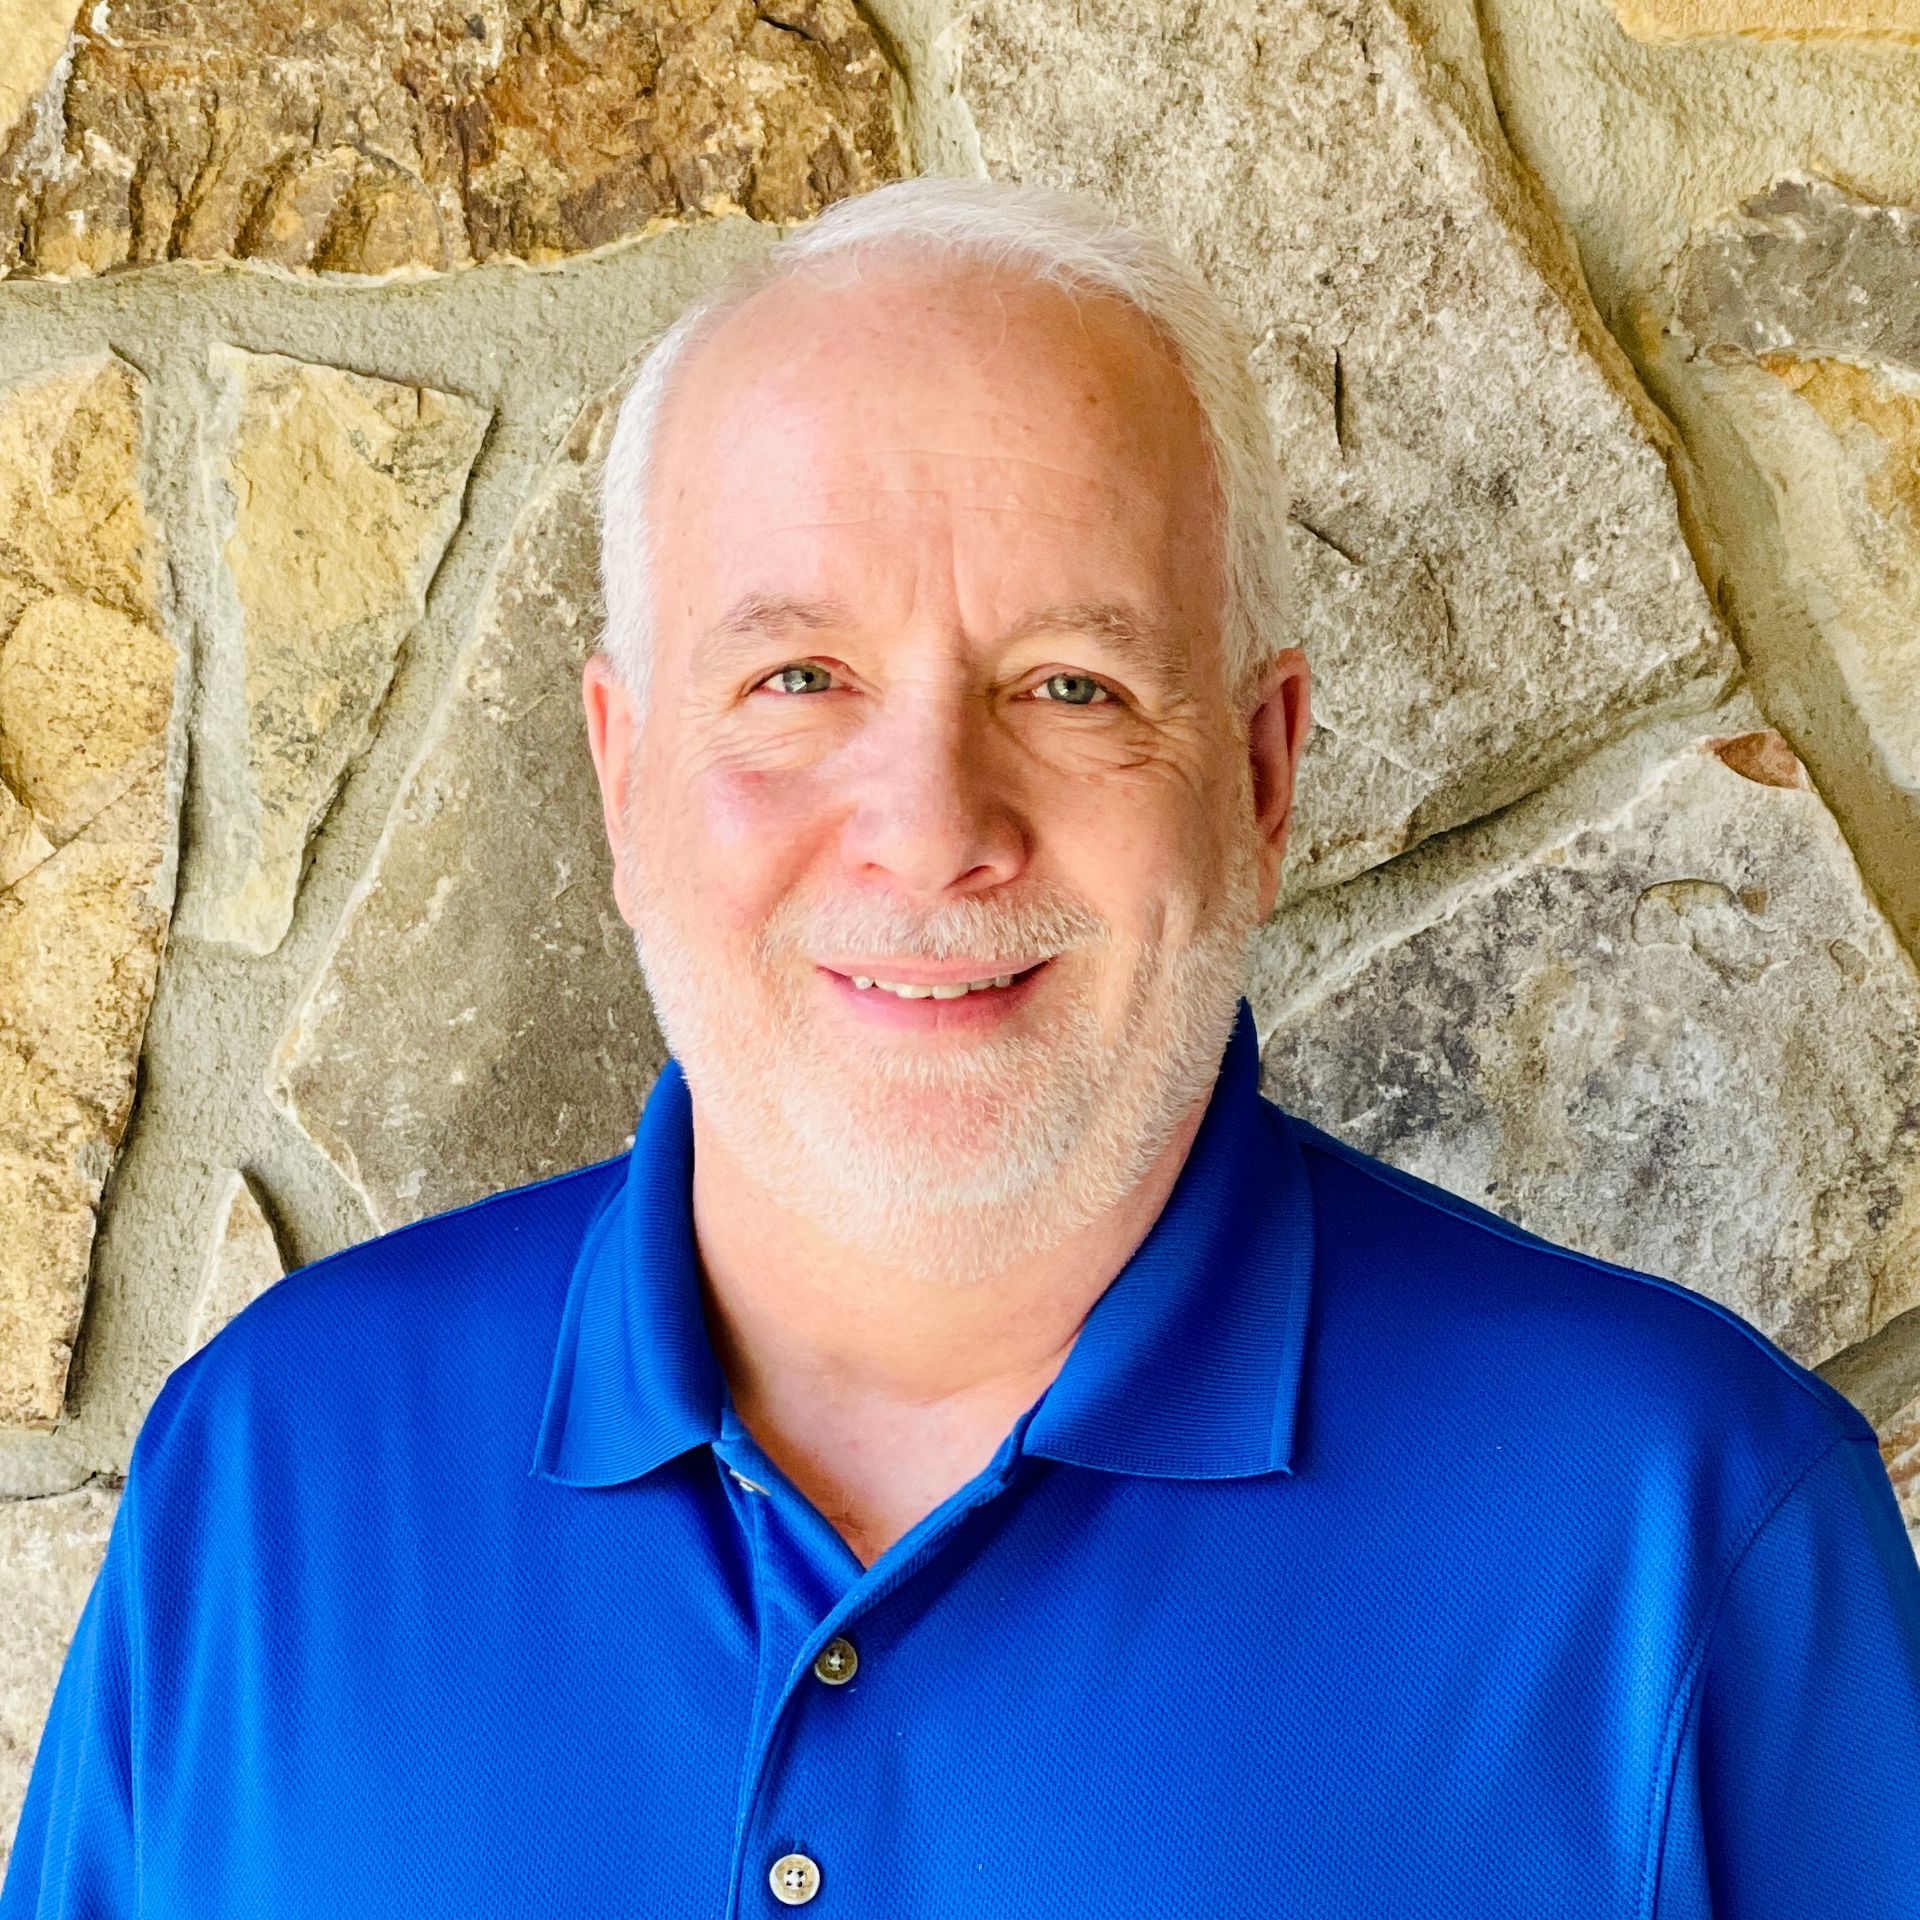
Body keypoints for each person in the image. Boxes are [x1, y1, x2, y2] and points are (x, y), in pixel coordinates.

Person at [5, 174, 1918, 1919]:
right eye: (799, 679)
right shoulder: (266, 1483)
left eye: (1070, 686)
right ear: (620, 771)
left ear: (1260, 779)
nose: (931, 823)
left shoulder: (1697, 1544)